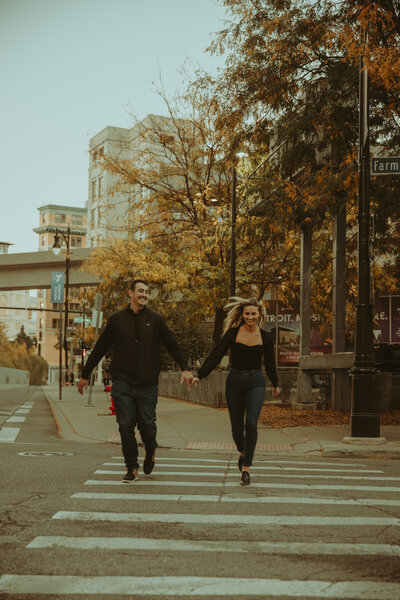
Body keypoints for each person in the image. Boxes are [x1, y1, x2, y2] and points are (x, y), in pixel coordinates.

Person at [77, 279, 194, 482]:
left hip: (147, 385)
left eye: (147, 292)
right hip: (122, 382)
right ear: (130, 293)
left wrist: (185, 368)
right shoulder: (117, 319)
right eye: (140, 291)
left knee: (148, 425)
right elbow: (101, 346)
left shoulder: (155, 320)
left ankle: (150, 450)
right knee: (125, 424)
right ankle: (131, 467)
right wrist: (85, 374)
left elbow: (171, 343)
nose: (144, 295)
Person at [195, 297, 279, 486]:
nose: (250, 317)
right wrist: (200, 375)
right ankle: (243, 451)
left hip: (256, 382)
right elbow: (216, 355)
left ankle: (246, 468)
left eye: (253, 314)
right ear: (242, 314)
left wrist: (275, 383)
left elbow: (270, 362)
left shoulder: (265, 336)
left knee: (251, 424)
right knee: (236, 429)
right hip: (234, 381)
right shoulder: (233, 333)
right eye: (247, 313)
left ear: (259, 315)